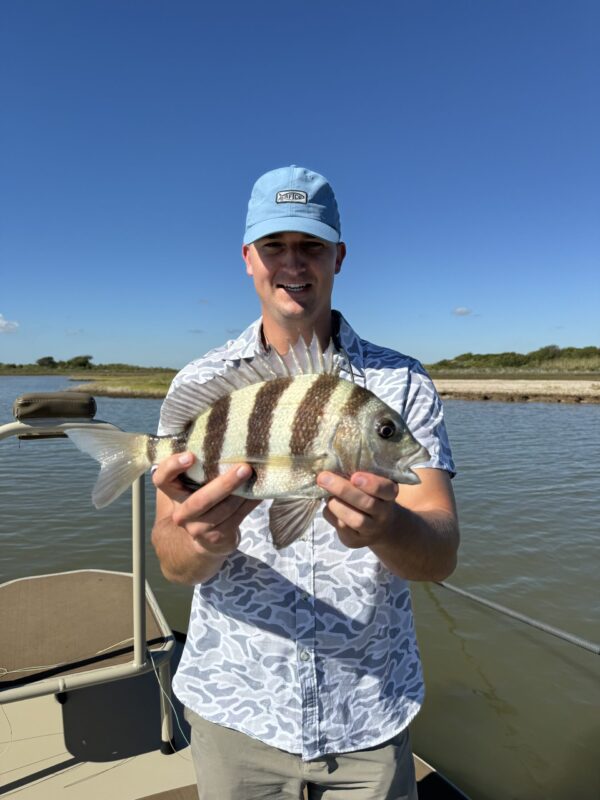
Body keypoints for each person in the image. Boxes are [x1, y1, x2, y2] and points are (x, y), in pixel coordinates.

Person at [151, 165, 459, 800]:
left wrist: (392, 525)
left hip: (369, 714)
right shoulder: (197, 385)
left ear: (339, 257)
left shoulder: (400, 385)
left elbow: (440, 553)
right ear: (247, 258)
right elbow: (173, 562)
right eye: (274, 246)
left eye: (311, 246)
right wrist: (203, 540)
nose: (293, 263)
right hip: (235, 710)